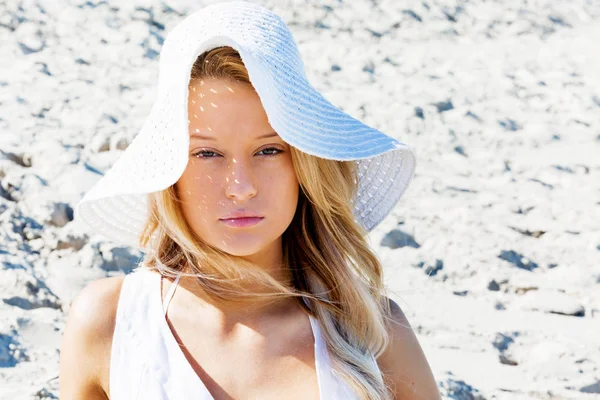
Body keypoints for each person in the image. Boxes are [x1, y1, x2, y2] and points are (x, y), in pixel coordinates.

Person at [59, 2, 440, 399]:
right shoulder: (110, 322)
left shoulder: (373, 332)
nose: (241, 187)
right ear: (170, 173)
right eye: (207, 154)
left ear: (304, 165)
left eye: (269, 151)